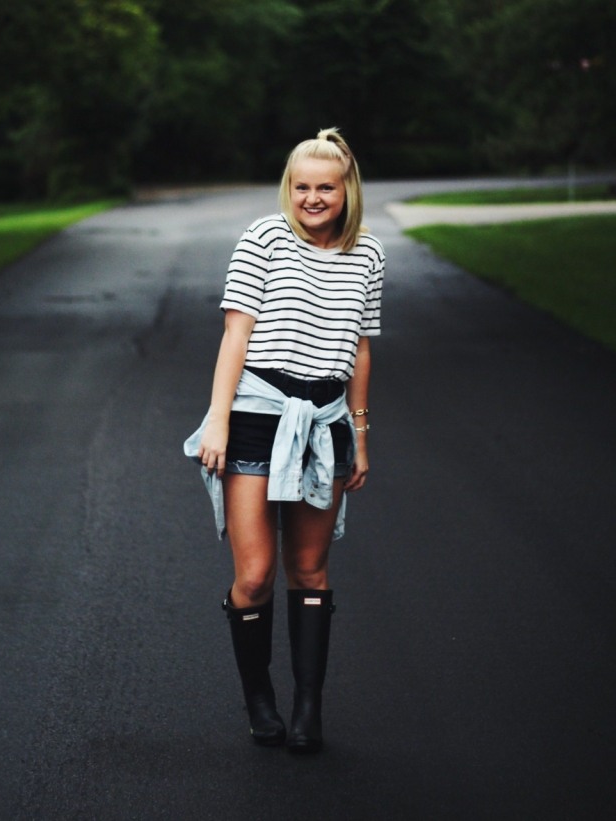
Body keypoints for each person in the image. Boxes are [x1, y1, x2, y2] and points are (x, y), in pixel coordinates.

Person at [183, 128, 384, 753]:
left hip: (324, 423)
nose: (313, 198)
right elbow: (235, 337)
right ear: (288, 188)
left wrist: (359, 430)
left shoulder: (369, 254)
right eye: (302, 187)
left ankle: (306, 710)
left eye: (326, 187)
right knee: (256, 573)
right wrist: (217, 419)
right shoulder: (263, 239)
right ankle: (259, 701)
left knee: (310, 568)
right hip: (256, 415)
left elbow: (360, 347)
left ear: (346, 190)